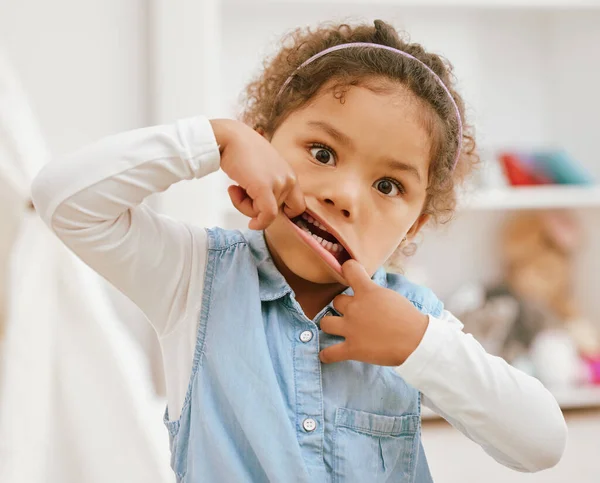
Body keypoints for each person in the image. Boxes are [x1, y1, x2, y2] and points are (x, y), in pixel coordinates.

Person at [31, 20, 567, 483]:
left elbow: (541, 442)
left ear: (414, 225)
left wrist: (418, 347)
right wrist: (213, 141)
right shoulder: (192, 277)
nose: (344, 195)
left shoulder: (413, 322)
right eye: (322, 152)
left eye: (388, 186)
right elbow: (64, 200)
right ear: (260, 148)